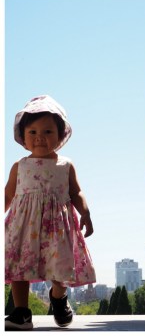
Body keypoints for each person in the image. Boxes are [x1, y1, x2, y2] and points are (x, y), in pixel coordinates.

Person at [5, 96, 96, 330]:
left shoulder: (65, 165)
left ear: (60, 135)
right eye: (33, 132)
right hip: (23, 227)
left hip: (56, 227)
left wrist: (85, 212)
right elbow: (7, 195)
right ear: (23, 138)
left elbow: (76, 192)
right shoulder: (19, 166)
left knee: (60, 267)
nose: (40, 137)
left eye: (47, 131)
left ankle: (57, 296)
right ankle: (22, 312)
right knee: (19, 267)